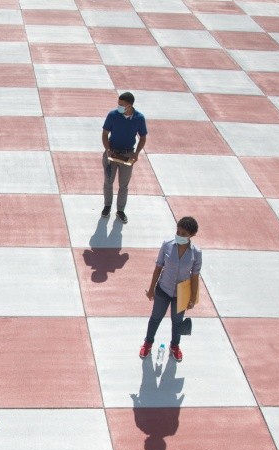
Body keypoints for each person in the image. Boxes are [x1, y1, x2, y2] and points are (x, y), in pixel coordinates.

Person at [140, 216, 202, 362]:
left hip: (181, 294)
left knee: (177, 321)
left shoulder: (196, 253)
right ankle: (148, 343)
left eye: (183, 234)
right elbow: (158, 268)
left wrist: (193, 298)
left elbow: (195, 276)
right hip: (163, 289)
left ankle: (175, 346)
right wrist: (151, 289)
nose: (179, 235)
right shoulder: (167, 245)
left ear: (191, 235)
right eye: (178, 231)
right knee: (155, 318)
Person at [101, 92, 147, 224]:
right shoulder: (113, 115)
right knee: (108, 181)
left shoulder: (139, 118)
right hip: (112, 152)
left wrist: (136, 153)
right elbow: (105, 134)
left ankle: (120, 210)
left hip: (127, 155)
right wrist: (108, 150)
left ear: (129, 105)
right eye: (118, 104)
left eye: (122, 105)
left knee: (124, 185)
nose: (119, 107)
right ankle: (107, 206)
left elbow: (143, 137)